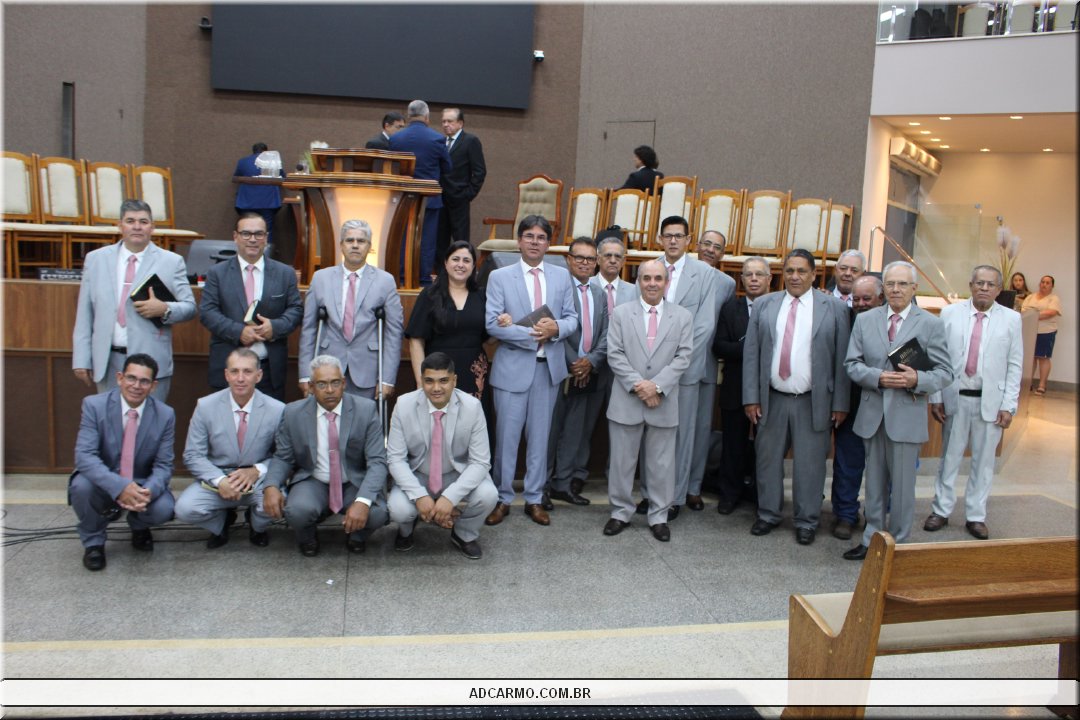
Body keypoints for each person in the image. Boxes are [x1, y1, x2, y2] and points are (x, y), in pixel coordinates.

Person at [842, 261, 953, 560]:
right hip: (872, 415)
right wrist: (877, 377)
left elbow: (945, 373)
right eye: (890, 284)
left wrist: (918, 379)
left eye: (903, 284)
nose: (896, 289)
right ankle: (872, 539)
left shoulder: (930, 324)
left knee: (903, 488)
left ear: (914, 288)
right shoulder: (865, 320)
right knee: (874, 484)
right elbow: (852, 364)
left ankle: (900, 545)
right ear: (883, 289)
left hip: (906, 416)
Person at [742, 249, 851, 546]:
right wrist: (751, 397)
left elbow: (842, 359)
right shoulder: (764, 305)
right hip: (771, 399)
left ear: (814, 275)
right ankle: (768, 514)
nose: (795, 276)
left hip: (813, 401)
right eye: (789, 270)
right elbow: (751, 354)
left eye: (802, 271)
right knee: (767, 461)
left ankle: (806, 520)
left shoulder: (834, 308)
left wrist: (840, 403)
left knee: (810, 465)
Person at [483, 215, 578, 527]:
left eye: (541, 237)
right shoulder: (500, 277)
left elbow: (572, 319)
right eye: (529, 236)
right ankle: (502, 498)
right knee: (506, 439)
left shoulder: (561, 276)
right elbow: (492, 323)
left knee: (540, 440)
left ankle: (535, 499)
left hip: (547, 371)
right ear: (519, 240)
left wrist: (557, 328)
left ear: (548, 243)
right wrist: (535, 334)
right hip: (512, 369)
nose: (535, 242)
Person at [925, 266, 1022, 541]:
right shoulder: (950, 314)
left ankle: (976, 516)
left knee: (984, 463)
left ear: (998, 290)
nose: (984, 288)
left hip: (990, 402)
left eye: (990, 284)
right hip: (955, 398)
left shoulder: (1012, 319)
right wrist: (936, 397)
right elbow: (937, 358)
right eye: (979, 283)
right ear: (970, 285)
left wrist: (1009, 405)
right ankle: (941, 510)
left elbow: (1015, 364)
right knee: (949, 458)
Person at [263, 355, 389, 556]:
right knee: (297, 511)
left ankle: (357, 536)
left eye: (335, 383)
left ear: (344, 383)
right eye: (322, 384)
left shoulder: (365, 410)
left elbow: (378, 461)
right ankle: (307, 536)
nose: (330, 390)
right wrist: (270, 486)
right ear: (311, 387)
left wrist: (363, 501)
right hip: (314, 480)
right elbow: (283, 457)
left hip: (352, 481)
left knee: (377, 513)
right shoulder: (293, 413)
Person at [72, 199, 197, 402]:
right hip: (107, 361)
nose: (137, 227)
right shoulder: (96, 259)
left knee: (150, 420)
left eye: (143, 222)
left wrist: (164, 309)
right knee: (109, 419)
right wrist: (81, 359)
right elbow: (84, 313)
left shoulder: (171, 262)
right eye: (130, 221)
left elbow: (190, 307)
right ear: (120, 225)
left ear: (152, 227)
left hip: (151, 362)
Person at [604, 260, 693, 542]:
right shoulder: (621, 313)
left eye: (658, 278)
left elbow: (683, 357)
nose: (652, 283)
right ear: (638, 281)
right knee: (621, 462)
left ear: (666, 282)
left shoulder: (682, 316)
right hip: (627, 400)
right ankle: (620, 512)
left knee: (661, 466)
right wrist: (640, 386)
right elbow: (614, 353)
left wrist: (656, 387)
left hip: (663, 402)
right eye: (646, 278)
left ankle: (659, 516)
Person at [642, 216, 725, 518]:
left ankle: (675, 498)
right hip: (651, 370)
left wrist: (675, 363)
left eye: (679, 236)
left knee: (682, 434)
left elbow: (704, 326)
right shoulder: (650, 269)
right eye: (668, 236)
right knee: (651, 434)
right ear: (659, 239)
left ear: (689, 240)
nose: (673, 241)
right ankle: (649, 493)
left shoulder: (704, 274)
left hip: (686, 370)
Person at [68, 354, 175, 571]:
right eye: (131, 378)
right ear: (119, 378)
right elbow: (85, 456)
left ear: (153, 386)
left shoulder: (165, 414)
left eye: (144, 381)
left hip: (141, 482)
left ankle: (138, 525)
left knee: (165, 508)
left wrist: (147, 492)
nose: (136, 386)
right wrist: (120, 487)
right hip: (103, 479)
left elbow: (164, 465)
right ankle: (94, 541)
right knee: (81, 487)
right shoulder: (94, 405)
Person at [386, 352, 498, 559]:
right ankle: (406, 530)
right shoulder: (403, 405)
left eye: (443, 381)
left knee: (488, 495)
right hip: (419, 473)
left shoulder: (472, 407)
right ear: (421, 381)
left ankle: (464, 533)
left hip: (456, 473)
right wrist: (419, 496)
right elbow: (395, 459)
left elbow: (481, 462)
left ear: (454, 380)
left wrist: (450, 497)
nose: (436, 388)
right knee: (399, 509)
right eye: (429, 381)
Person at [175, 348, 286, 548]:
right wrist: (220, 480)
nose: (240, 378)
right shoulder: (205, 406)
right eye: (234, 371)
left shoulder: (277, 409)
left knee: (280, 501)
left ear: (259, 375)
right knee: (185, 508)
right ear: (226, 375)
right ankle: (222, 524)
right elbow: (193, 455)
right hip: (218, 479)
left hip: (257, 480)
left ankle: (257, 526)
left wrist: (258, 470)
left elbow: (284, 455)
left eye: (247, 371)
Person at [198, 213, 303, 401]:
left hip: (269, 369)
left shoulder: (285, 273)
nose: (253, 239)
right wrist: (239, 332)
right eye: (246, 233)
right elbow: (207, 312)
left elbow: (296, 310)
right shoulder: (217, 273)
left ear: (266, 237)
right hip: (229, 369)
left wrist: (275, 327)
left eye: (259, 234)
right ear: (235, 236)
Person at [298, 219, 403, 401]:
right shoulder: (320, 278)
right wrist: (305, 375)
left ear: (369, 246)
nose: (355, 245)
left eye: (361, 241)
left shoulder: (385, 281)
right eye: (349, 240)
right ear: (341, 245)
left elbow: (394, 333)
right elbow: (309, 329)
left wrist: (387, 379)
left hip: (367, 369)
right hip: (326, 368)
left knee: (362, 418)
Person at [546, 237, 608, 507]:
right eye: (579, 257)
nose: (584, 263)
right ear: (569, 260)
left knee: (574, 432)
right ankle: (541, 487)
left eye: (590, 259)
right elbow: (552, 329)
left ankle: (563, 484)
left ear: (596, 263)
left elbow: (607, 333)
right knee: (550, 432)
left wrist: (590, 362)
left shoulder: (599, 293)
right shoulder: (556, 289)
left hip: (587, 373)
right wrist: (576, 363)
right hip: (560, 371)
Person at [711, 256, 771, 515]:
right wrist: (751, 348)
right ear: (742, 279)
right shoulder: (730, 309)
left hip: (768, 390)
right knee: (732, 446)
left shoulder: (778, 306)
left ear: (769, 279)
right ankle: (729, 494)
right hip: (735, 387)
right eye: (748, 274)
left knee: (766, 448)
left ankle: (762, 497)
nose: (754, 279)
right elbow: (719, 346)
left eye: (759, 274)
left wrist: (745, 347)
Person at [829, 274, 884, 540]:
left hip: (883, 407)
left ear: (880, 299)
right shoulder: (844, 320)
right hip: (851, 405)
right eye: (856, 299)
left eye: (867, 299)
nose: (861, 304)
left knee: (881, 468)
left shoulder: (893, 323)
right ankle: (845, 514)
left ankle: (877, 516)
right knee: (847, 464)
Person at [406, 240, 489, 398]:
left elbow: (490, 339)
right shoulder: (429, 295)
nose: (460, 265)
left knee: (472, 413)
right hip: (437, 373)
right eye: (455, 259)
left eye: (466, 260)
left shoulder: (482, 295)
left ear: (473, 266)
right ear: (445, 263)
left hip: (474, 373)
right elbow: (416, 341)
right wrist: (421, 381)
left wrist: (504, 322)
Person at [389, 100, 452, 285]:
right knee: (426, 241)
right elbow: (448, 167)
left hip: (402, 199)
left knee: (402, 238)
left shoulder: (395, 139)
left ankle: (401, 278)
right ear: (427, 116)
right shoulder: (437, 139)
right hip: (429, 200)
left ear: (409, 115)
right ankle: (423, 279)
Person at [438, 107, 487, 257]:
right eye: (443, 121)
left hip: (459, 199)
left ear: (460, 123)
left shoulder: (470, 141)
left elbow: (479, 171)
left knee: (460, 240)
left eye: (450, 121)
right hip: (440, 198)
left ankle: (462, 268)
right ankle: (440, 270)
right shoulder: (440, 142)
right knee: (439, 240)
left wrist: (468, 194)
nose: (446, 124)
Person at [233, 142, 283, 243]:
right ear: (266, 151)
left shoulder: (243, 162)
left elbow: (236, 177)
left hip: (247, 202)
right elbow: (282, 177)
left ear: (253, 151)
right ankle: (266, 251)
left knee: (245, 229)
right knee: (266, 230)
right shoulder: (273, 162)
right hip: (268, 202)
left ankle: (244, 250)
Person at [1021, 275, 1061, 395]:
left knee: (1043, 358)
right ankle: (1028, 384)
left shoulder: (1053, 298)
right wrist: (1036, 313)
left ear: (1052, 286)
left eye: (1047, 283)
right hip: (1030, 331)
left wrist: (1033, 314)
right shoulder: (1031, 297)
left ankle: (1042, 385)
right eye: (1042, 282)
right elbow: (1023, 311)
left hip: (1046, 331)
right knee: (1030, 358)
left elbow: (1051, 312)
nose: (1044, 284)